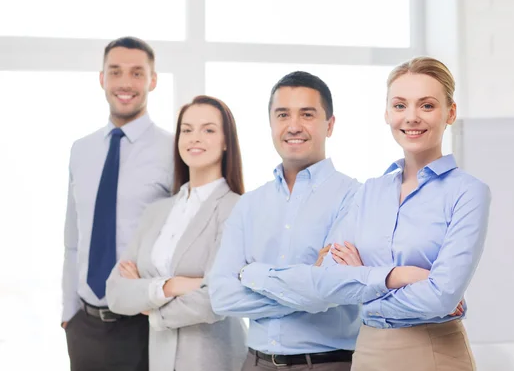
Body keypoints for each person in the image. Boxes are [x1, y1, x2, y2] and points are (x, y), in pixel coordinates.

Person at [238, 57, 492, 371]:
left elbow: (440, 298)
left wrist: (362, 286)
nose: (411, 117)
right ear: (387, 113)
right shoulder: (370, 192)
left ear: (450, 113)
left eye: (426, 106)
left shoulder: (468, 193)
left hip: (434, 352)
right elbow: (328, 277)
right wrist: (395, 276)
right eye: (400, 106)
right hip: (368, 353)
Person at [209, 71, 361, 371]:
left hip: (326, 364)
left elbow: (328, 290)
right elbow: (221, 297)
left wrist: (250, 274)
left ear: (329, 125)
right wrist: (305, 285)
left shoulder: (355, 197)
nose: (293, 126)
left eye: (307, 114)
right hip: (255, 363)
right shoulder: (249, 203)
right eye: (282, 115)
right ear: (271, 123)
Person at [106, 95, 247, 371]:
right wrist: (172, 285)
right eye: (187, 130)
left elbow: (216, 298)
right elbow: (116, 292)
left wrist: (149, 305)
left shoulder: (237, 209)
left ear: (226, 141)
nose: (195, 138)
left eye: (208, 130)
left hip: (215, 361)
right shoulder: (156, 212)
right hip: (160, 362)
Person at [61, 36, 173, 371]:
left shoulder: (174, 150)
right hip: (85, 326)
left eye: (137, 73)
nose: (125, 83)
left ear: (153, 80)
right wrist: (69, 315)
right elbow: (73, 239)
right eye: (116, 71)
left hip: (144, 325)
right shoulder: (81, 150)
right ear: (102, 79)